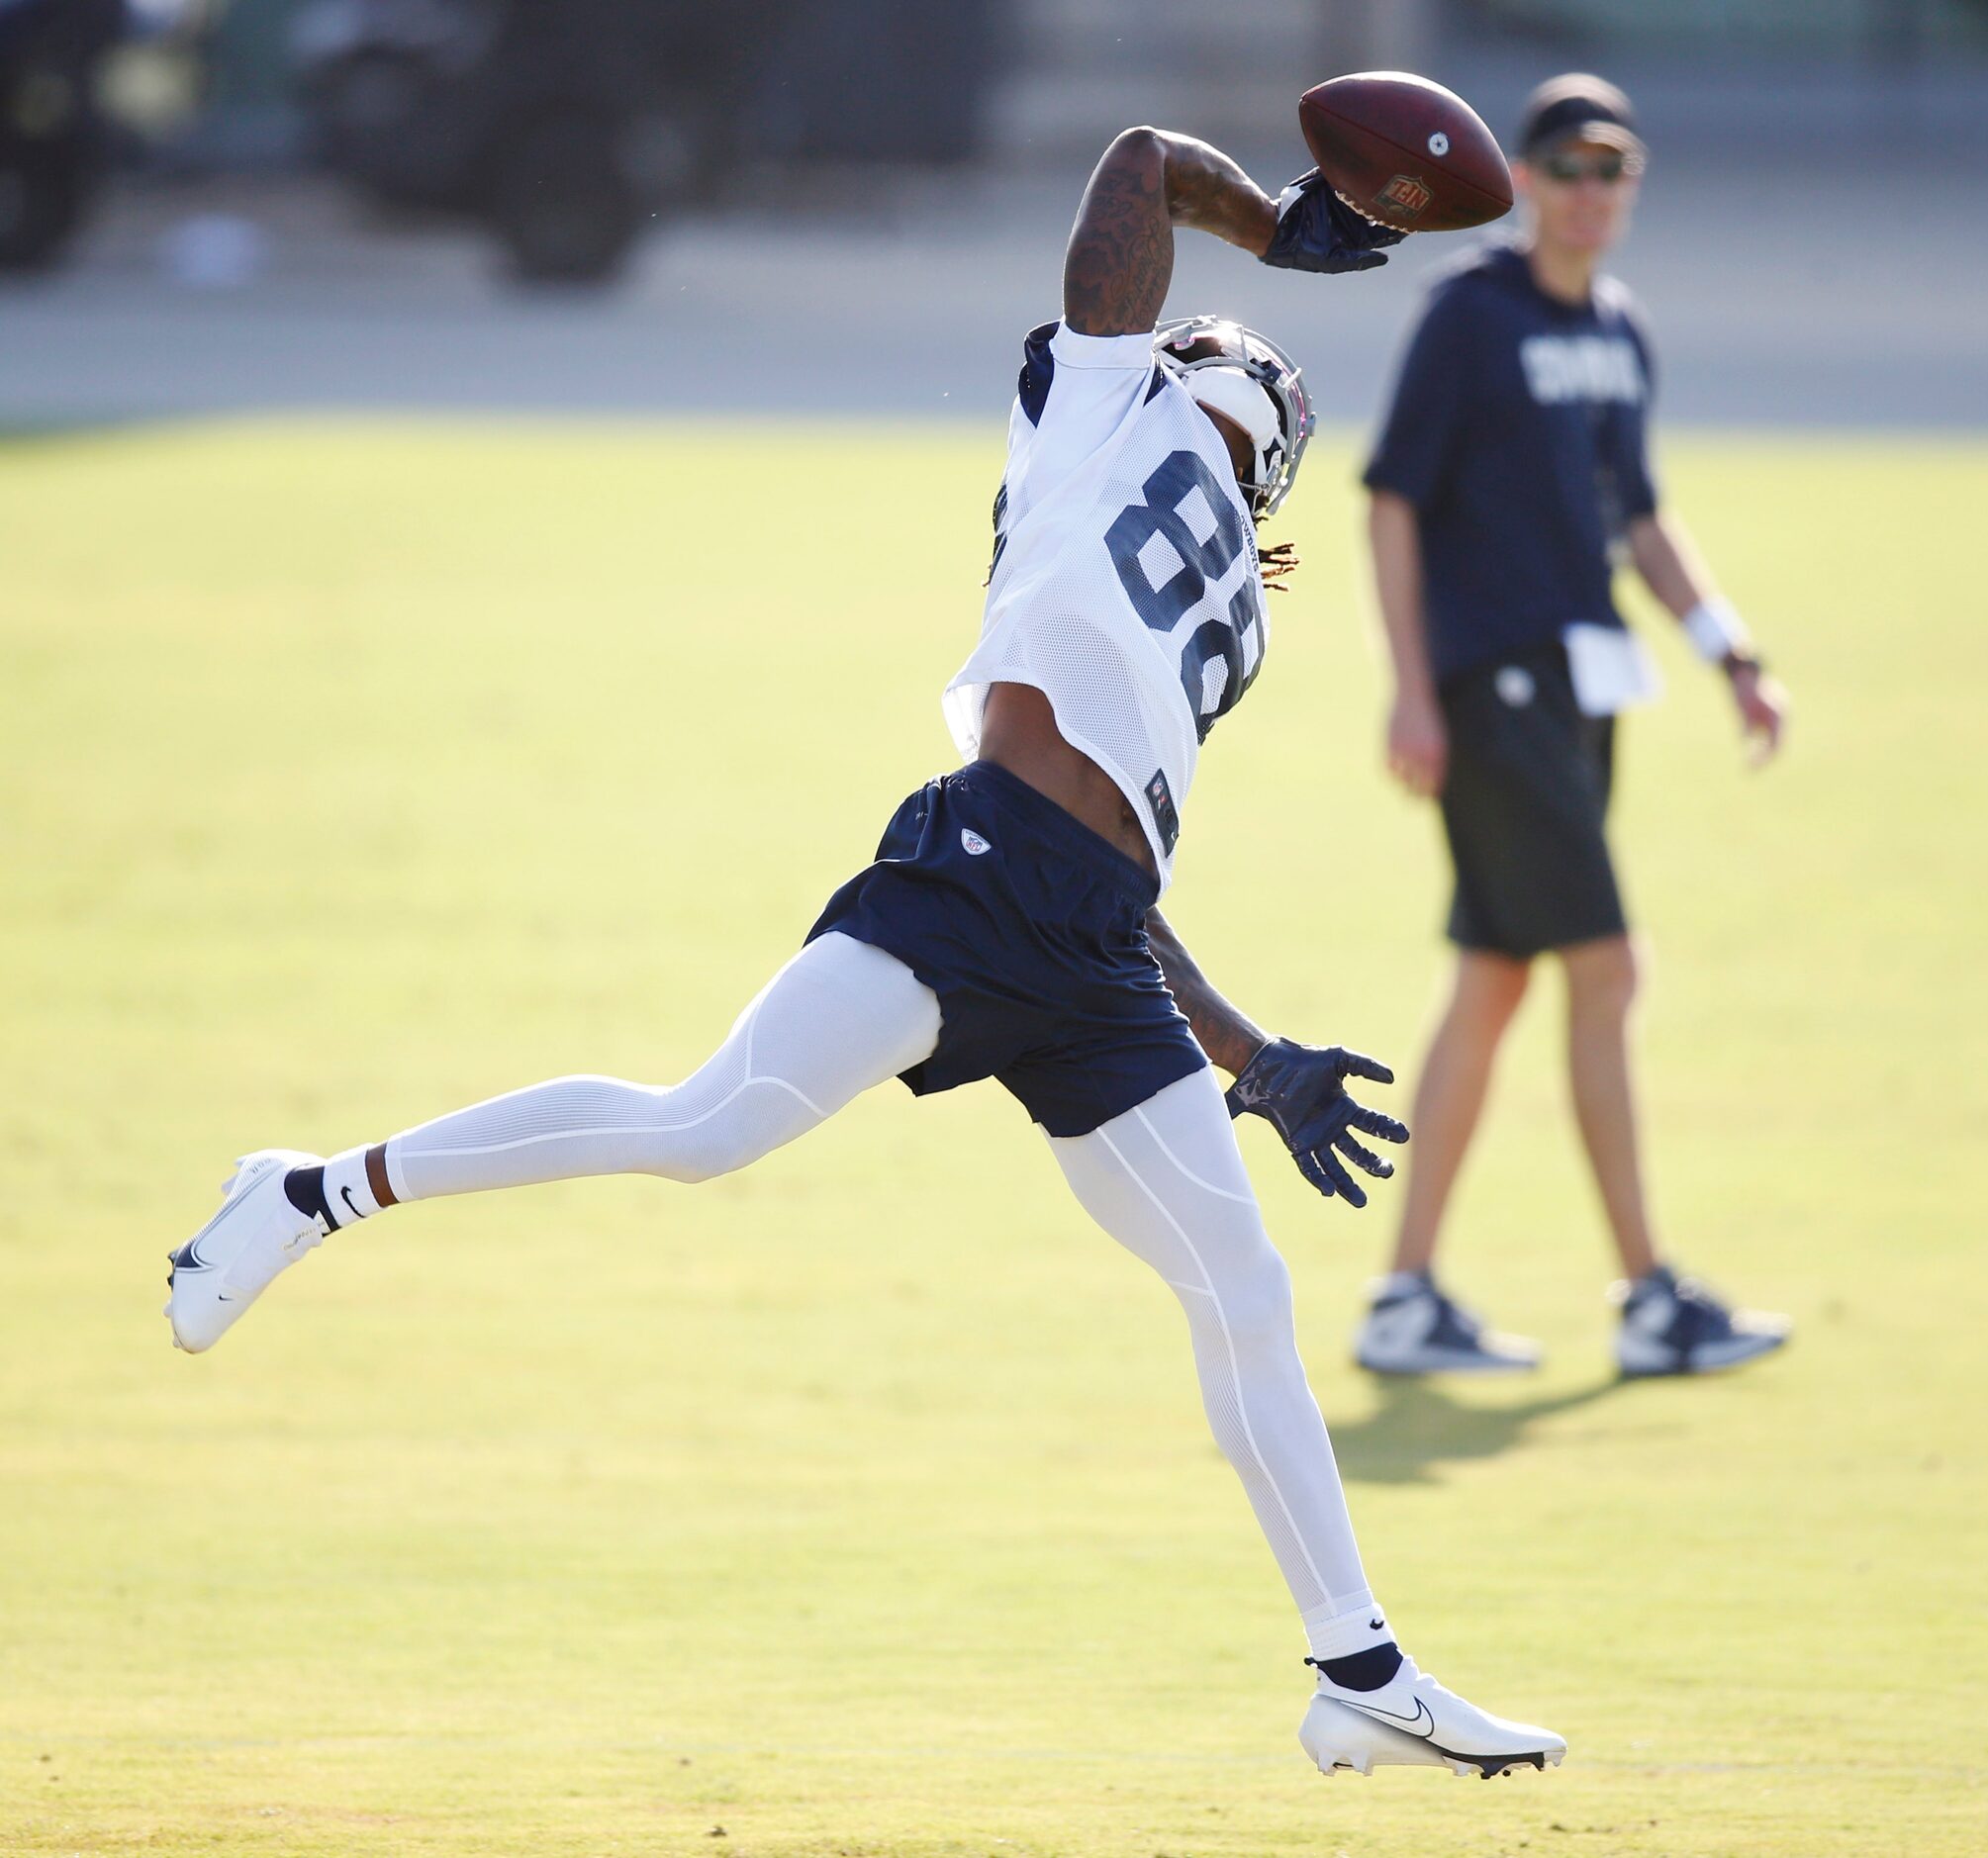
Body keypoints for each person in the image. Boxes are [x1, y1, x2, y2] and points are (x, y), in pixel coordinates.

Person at [160, 123, 1562, 1782]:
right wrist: (1269, 227)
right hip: (971, 875)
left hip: (1095, 947)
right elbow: (1134, 164)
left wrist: (1249, 1055)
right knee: (702, 1129)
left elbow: (1121, 848)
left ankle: (1361, 1674)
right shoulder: (1098, 408)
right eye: (1229, 359)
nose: (1248, 384)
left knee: (1241, 1288)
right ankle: (312, 1188)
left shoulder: (1233, 604)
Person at [1355, 75, 1795, 1380]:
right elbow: (1390, 503)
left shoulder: (1619, 331)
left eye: (1615, 170)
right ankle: (1650, 1294)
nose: (1592, 191)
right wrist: (1412, 685)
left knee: (1494, 980)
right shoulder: (1468, 319)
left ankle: (1403, 1296)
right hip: (1492, 686)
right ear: (1525, 181)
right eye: (1568, 167)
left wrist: (1730, 650)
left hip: (1580, 691)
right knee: (1606, 968)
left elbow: (1639, 518)